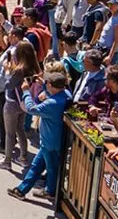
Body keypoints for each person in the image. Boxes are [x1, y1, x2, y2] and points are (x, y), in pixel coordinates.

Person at [9, 71, 71, 201]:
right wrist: (44, 85)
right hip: (50, 141)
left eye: (47, 83)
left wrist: (26, 91)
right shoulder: (65, 94)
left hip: (51, 142)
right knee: (36, 167)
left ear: (51, 85)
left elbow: (31, 109)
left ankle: (50, 191)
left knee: (51, 168)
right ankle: (21, 190)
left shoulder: (52, 103)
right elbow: (52, 92)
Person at [0, 40, 38, 173]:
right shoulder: (33, 68)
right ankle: (24, 157)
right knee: (20, 129)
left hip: (12, 103)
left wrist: (8, 71)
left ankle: (7, 160)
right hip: (23, 103)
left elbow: (8, 85)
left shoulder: (19, 70)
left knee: (10, 133)